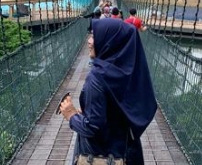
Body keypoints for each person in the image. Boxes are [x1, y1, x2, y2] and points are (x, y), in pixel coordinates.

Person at [59, 18, 156, 165]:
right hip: (127, 151)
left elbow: (92, 128)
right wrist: (89, 110)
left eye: (94, 36)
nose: (89, 41)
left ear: (110, 41)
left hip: (100, 156)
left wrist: (71, 115)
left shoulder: (97, 78)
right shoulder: (128, 73)